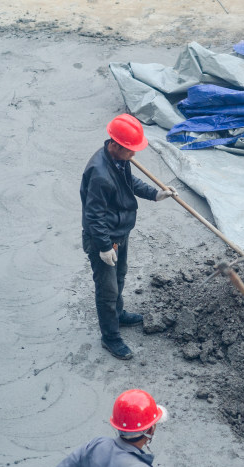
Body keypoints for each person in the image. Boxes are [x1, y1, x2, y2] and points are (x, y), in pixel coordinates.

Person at [81, 114, 177, 360]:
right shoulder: (100, 174)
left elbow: (130, 183)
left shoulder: (119, 160)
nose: (134, 155)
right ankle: (110, 337)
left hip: (120, 233)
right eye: (130, 151)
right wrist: (103, 247)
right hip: (104, 238)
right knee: (107, 289)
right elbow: (94, 215)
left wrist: (156, 194)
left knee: (120, 276)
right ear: (114, 145)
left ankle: (118, 314)